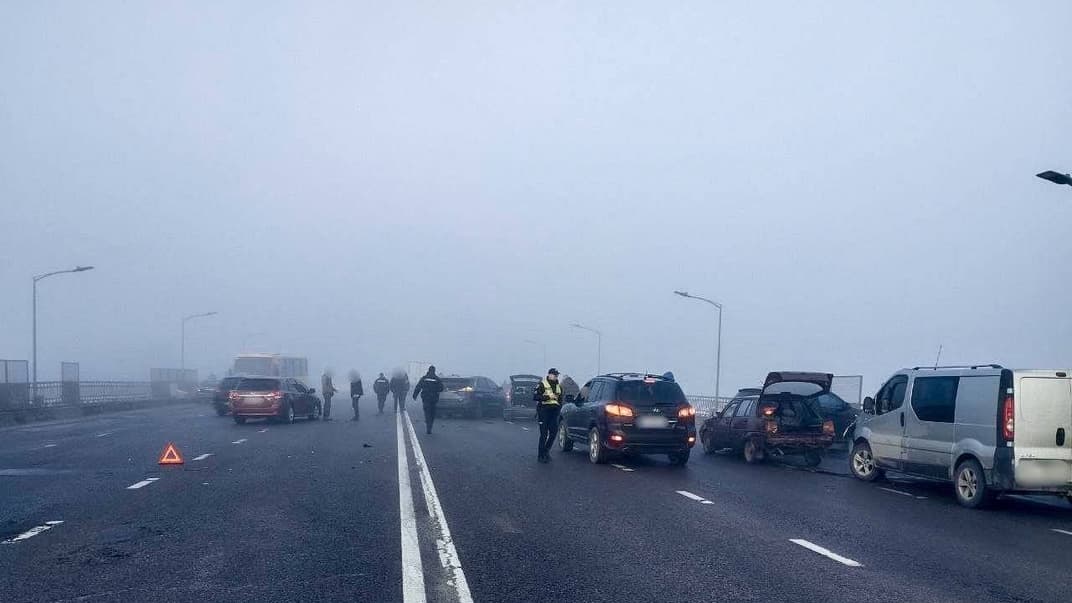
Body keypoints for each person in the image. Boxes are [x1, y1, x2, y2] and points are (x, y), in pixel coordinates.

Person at [533, 368, 563, 463]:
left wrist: (559, 409)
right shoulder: (542, 384)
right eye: (554, 374)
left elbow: (560, 399)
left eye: (557, 375)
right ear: (549, 375)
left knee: (554, 432)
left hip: (554, 413)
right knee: (544, 434)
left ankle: (546, 451)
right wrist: (548, 397)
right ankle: (541, 455)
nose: (556, 376)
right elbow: (535, 397)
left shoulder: (559, 386)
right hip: (543, 411)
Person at [412, 366, 444, 434]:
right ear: (434, 371)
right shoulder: (437, 379)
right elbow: (441, 388)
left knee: (427, 412)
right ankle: (430, 426)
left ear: (428, 370)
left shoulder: (424, 378)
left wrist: (415, 395)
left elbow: (418, 386)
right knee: (432, 413)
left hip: (426, 398)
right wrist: (435, 390)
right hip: (434, 399)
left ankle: (428, 425)